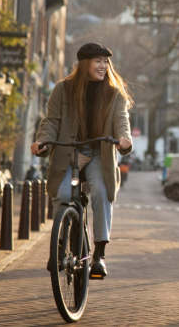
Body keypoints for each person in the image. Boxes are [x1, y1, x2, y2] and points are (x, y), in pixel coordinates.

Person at [32, 43, 133, 279]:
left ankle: (98, 256)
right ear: (84, 64)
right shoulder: (63, 89)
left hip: (99, 152)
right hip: (69, 151)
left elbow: (121, 120)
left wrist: (124, 139)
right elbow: (51, 121)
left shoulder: (114, 93)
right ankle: (59, 247)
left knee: (100, 192)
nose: (103, 66)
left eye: (106, 61)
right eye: (98, 61)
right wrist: (43, 142)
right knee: (64, 193)